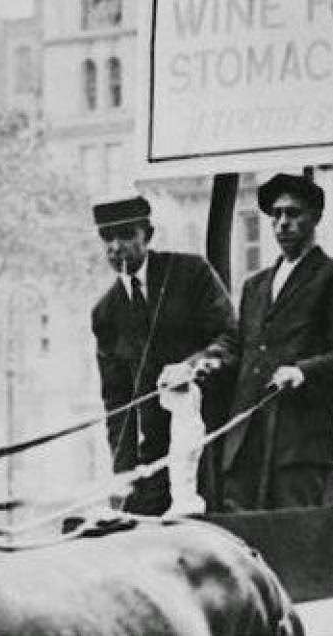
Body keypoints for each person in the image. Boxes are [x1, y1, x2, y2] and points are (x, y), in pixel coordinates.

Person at [194, 173, 333, 511]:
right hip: (246, 441)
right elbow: (239, 346)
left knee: (294, 544)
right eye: (275, 215)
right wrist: (211, 362)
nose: (282, 224)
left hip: (299, 446)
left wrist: (301, 373)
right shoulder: (255, 286)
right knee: (241, 543)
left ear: (315, 217)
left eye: (293, 214)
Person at [90, 194, 237, 515]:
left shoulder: (191, 273)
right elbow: (117, 402)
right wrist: (123, 477)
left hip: (209, 442)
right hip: (155, 456)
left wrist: (193, 366)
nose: (115, 247)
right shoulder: (105, 312)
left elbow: (230, 337)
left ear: (148, 235)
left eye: (126, 235)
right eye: (107, 238)